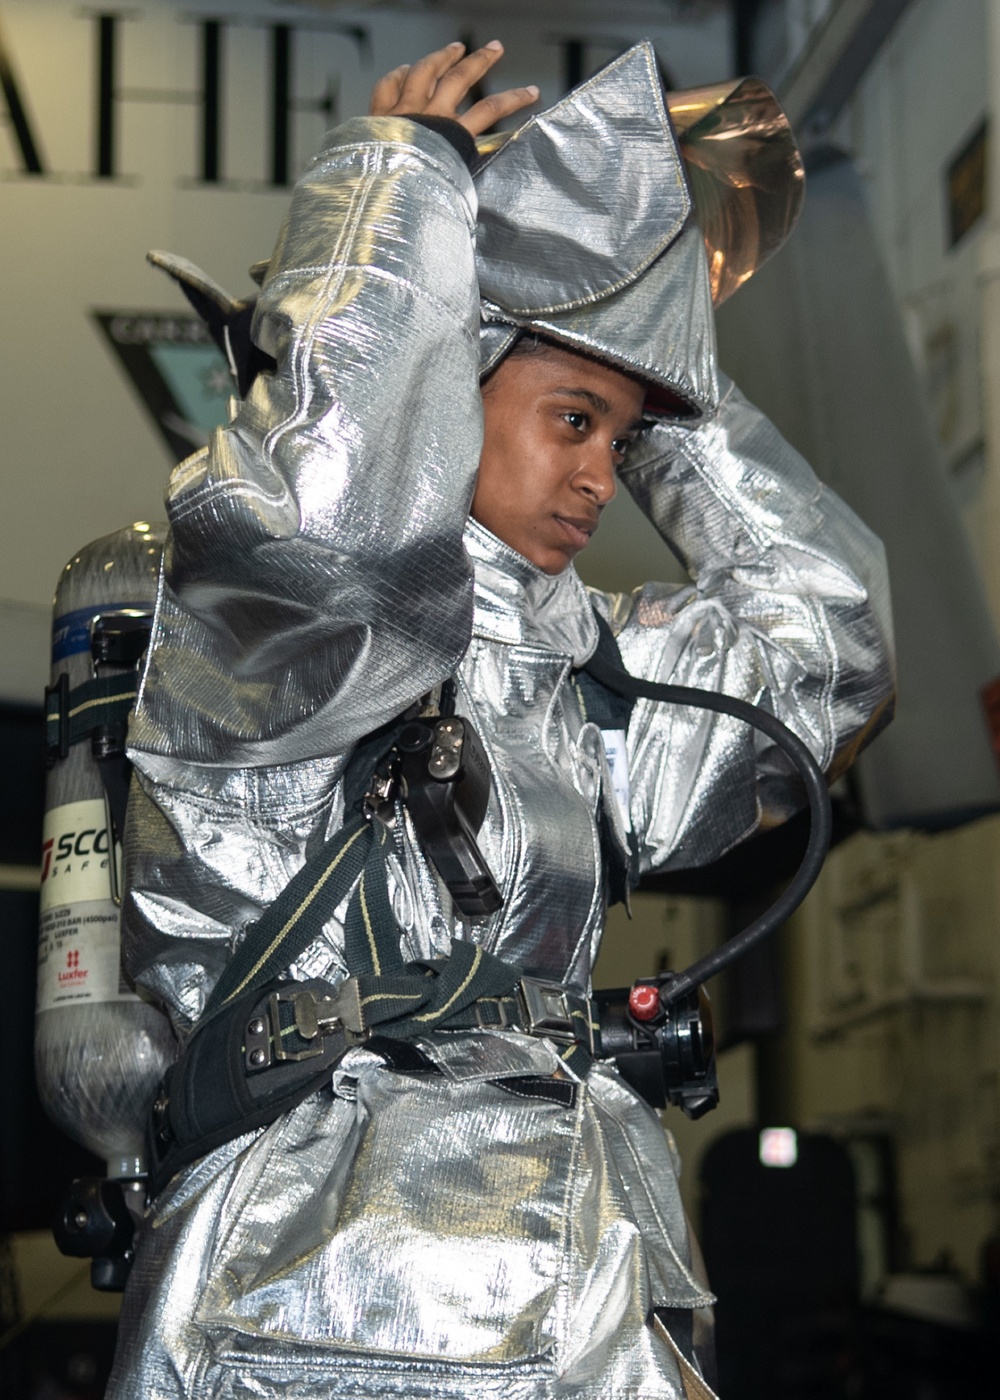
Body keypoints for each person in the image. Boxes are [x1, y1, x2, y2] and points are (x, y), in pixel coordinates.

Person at [107, 40, 895, 1400]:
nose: (600, 477)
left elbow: (830, 639)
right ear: (443, 380)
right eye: (572, 424)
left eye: (619, 444)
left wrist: (654, 391)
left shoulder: (589, 679)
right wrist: (394, 198)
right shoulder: (285, 645)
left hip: (592, 1299)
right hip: (322, 1305)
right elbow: (327, 529)